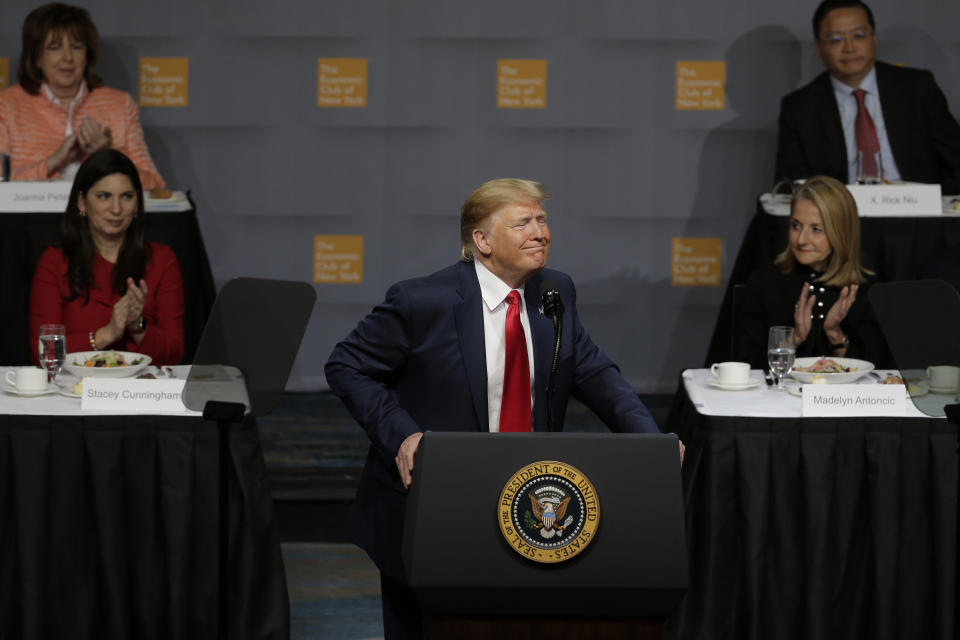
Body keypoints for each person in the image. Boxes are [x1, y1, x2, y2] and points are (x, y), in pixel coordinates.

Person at [325, 178, 677, 639]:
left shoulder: (556, 293)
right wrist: (404, 435)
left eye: (542, 220)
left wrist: (651, 445)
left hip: (525, 502)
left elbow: (595, 374)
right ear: (483, 241)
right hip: (433, 505)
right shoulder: (422, 301)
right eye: (523, 223)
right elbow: (346, 365)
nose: (540, 232)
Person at [774, 0, 960, 193]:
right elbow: (792, 186)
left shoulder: (917, 88)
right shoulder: (800, 108)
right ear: (819, 46)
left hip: (916, 212)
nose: (850, 48)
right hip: (842, 218)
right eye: (836, 39)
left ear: (874, 38)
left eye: (859, 35)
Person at [28, 149, 184, 365]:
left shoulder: (162, 259)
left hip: (141, 390)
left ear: (137, 204)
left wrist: (136, 326)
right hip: (74, 391)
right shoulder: (55, 261)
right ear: (82, 203)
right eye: (104, 196)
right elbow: (42, 353)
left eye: (127, 197)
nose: (116, 208)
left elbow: (175, 353)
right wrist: (106, 335)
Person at [0, 3, 165, 189]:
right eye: (54, 48)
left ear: (87, 55)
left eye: (76, 47)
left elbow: (155, 186)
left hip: (103, 217)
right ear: (36, 57)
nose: (67, 58)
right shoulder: (7, 105)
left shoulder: (120, 105)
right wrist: (53, 162)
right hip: (31, 218)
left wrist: (108, 155)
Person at [737, 175, 889, 368]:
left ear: (841, 232)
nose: (801, 239)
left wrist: (835, 333)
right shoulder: (765, 283)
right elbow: (745, 368)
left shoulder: (866, 290)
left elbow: (877, 374)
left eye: (816, 229)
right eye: (795, 225)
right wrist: (794, 340)